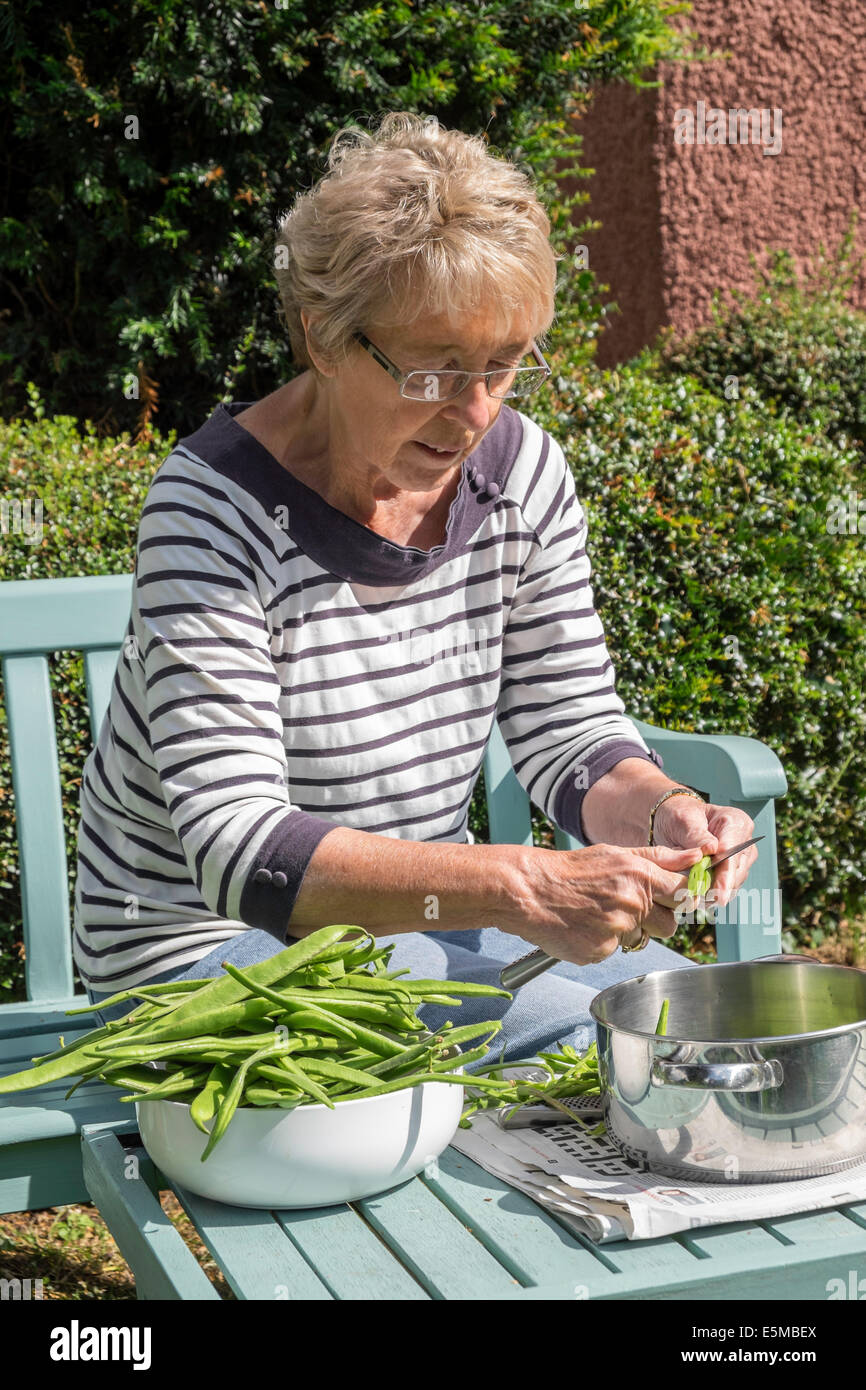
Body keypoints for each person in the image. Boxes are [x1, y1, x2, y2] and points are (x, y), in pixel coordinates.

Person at [71, 112, 757, 1063]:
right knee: (615, 1041)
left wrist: (663, 810)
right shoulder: (209, 510)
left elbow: (573, 735)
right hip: (204, 961)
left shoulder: (521, 475)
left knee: (695, 1012)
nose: (475, 412)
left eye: (504, 365)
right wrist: (522, 887)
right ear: (322, 337)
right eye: (434, 370)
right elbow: (240, 849)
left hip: (420, 933)